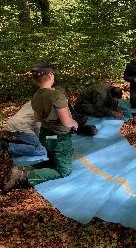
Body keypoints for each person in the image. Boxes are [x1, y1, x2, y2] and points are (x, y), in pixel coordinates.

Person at [2, 62, 79, 192]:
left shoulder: (36, 95)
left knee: (51, 160)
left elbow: (37, 119)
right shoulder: (57, 96)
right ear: (50, 75)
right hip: (59, 138)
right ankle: (24, 176)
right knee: (64, 171)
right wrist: (75, 124)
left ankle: (22, 169)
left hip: (46, 135)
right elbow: (67, 122)